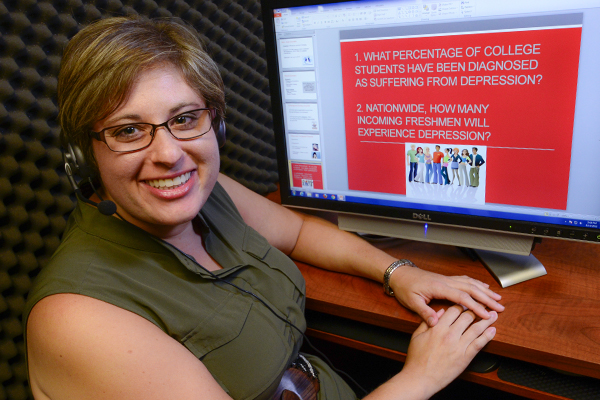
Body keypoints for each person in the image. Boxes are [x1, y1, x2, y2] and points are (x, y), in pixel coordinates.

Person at [24, 17, 502, 400]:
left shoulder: (205, 193)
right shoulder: (78, 322)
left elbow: (297, 232)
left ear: (216, 126)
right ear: (86, 157)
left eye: (185, 119)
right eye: (128, 130)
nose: (169, 153)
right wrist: (420, 378)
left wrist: (398, 272)